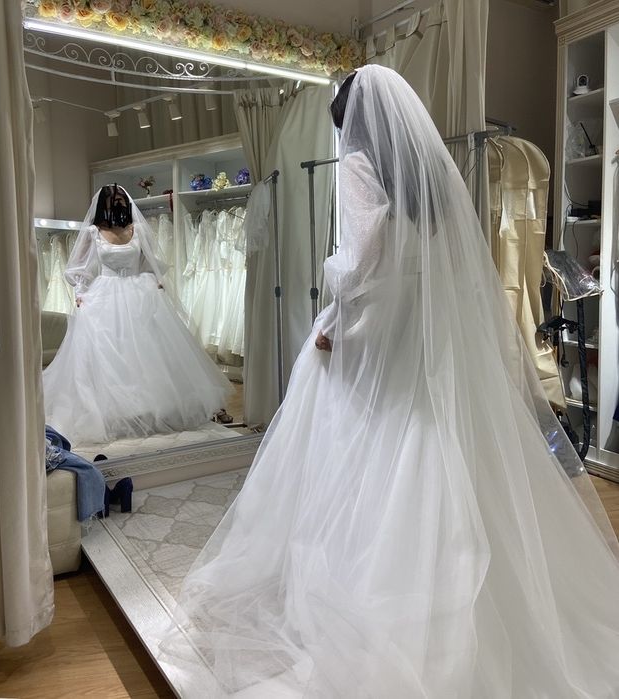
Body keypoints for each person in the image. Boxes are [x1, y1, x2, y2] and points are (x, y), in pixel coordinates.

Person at [161, 66, 619, 697]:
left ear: (353, 124)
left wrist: (333, 301)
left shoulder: (358, 165)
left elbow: (362, 256)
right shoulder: (428, 172)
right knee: (432, 439)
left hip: (374, 322)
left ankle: (370, 588)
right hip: (423, 322)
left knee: (359, 445)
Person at [43, 184, 232, 446]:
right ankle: (113, 411)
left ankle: (149, 409)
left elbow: (150, 261)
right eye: (113, 200)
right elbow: (77, 267)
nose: (118, 203)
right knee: (109, 353)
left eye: (122, 199)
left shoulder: (137, 230)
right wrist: (80, 292)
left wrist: (155, 282)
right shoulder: (93, 232)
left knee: (147, 352)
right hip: (104, 295)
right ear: (103, 204)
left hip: (138, 292)